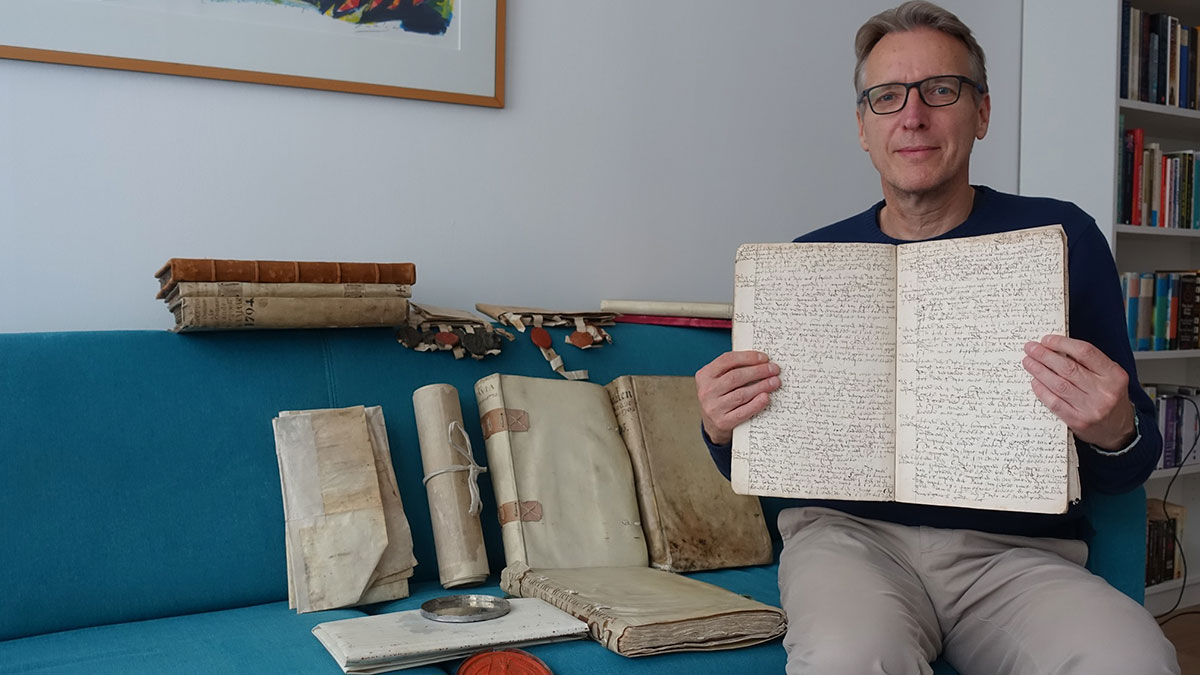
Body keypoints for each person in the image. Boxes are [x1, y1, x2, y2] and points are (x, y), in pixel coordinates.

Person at [695, 3, 1180, 674]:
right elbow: (763, 464)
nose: (912, 116)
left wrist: (1114, 426)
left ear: (981, 113)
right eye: (886, 97)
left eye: (940, 90)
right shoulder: (809, 262)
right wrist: (721, 430)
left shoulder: (1060, 240)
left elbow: (1131, 457)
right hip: (848, 542)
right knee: (846, 659)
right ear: (862, 127)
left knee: (1129, 661)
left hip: (1017, 555)